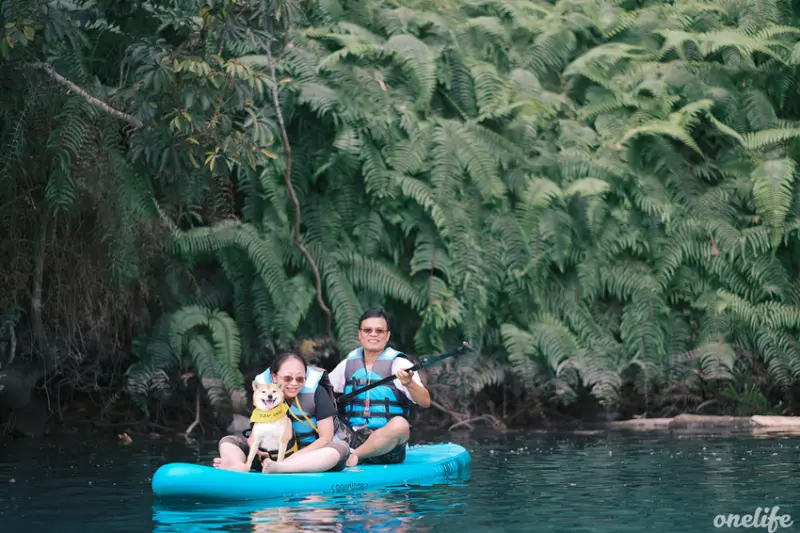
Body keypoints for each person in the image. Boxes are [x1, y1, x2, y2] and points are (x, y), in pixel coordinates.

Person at [213, 352, 351, 473]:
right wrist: (253, 444)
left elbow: (326, 438)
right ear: (274, 377)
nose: (294, 383)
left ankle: (283, 468)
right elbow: (255, 433)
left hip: (310, 457)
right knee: (229, 440)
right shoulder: (263, 394)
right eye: (287, 378)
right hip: (269, 458)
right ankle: (237, 465)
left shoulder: (317, 393)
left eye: (300, 379)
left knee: (340, 448)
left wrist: (291, 459)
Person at [329, 307, 431, 467]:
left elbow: (425, 401)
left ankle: (355, 456)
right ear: (360, 333)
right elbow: (323, 392)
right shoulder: (348, 363)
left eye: (379, 330)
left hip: (386, 447)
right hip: (350, 437)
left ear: (387, 335)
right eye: (368, 330)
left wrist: (410, 384)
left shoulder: (400, 364)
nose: (373, 334)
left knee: (401, 424)